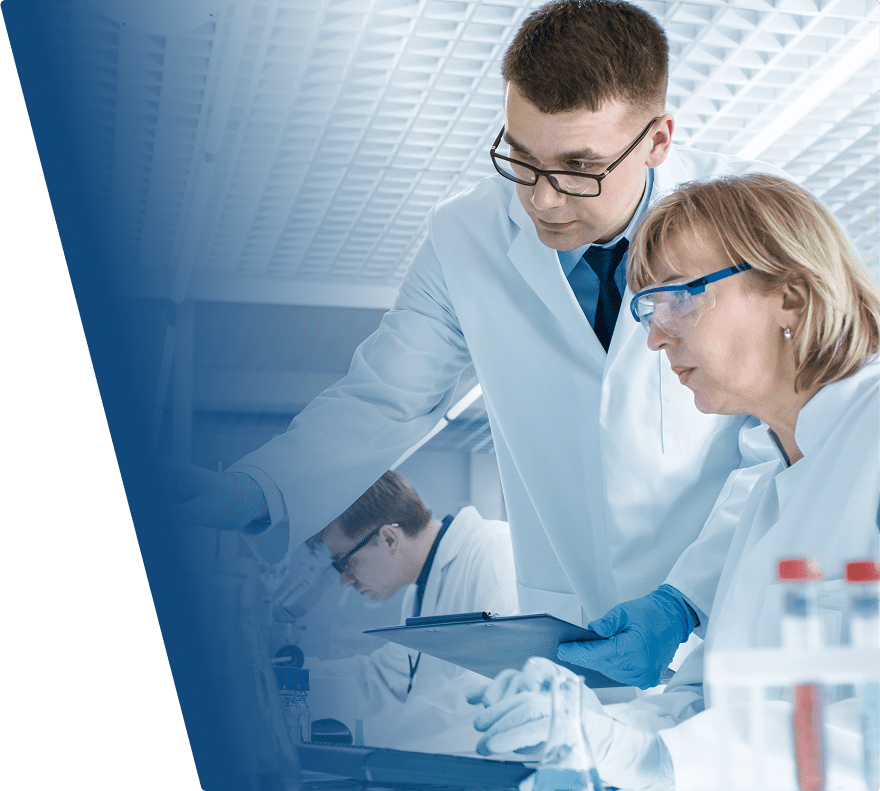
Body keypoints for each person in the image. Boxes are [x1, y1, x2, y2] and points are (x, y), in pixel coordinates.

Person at [166, 0, 790, 690]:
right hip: (572, 633)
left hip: (725, 618)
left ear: (658, 140)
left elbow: (779, 444)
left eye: (579, 168)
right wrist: (251, 490)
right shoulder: (465, 240)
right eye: (521, 160)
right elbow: (384, 400)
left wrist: (685, 600)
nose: (543, 201)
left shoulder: (748, 233)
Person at [469, 173, 880, 790]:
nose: (656, 337)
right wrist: (585, 729)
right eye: (649, 309)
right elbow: (715, 707)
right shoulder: (772, 490)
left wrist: (650, 760)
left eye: (680, 298)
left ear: (791, 297)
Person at [304, 470, 519, 753]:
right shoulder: (419, 591)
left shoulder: (493, 553)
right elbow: (387, 678)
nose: (345, 579)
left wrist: (361, 733)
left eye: (343, 562)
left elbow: (494, 693)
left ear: (389, 538)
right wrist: (297, 679)